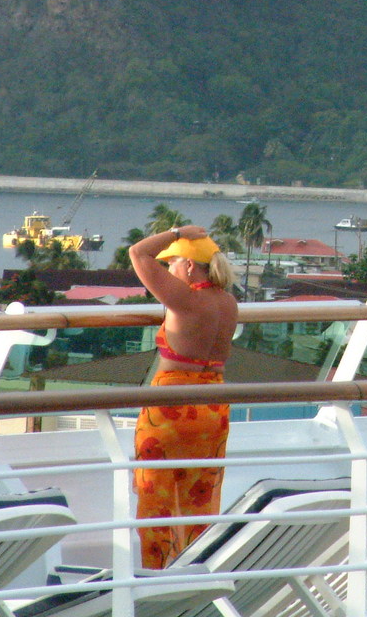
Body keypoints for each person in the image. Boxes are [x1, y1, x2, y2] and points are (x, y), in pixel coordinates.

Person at [129, 224, 238, 568]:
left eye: (174, 263)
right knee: (200, 496)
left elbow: (138, 253)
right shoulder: (228, 302)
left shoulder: (186, 298)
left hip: (172, 406)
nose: (171, 270)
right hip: (213, 406)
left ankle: (156, 572)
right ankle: (194, 568)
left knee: (156, 497)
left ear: (190, 266)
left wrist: (176, 231)